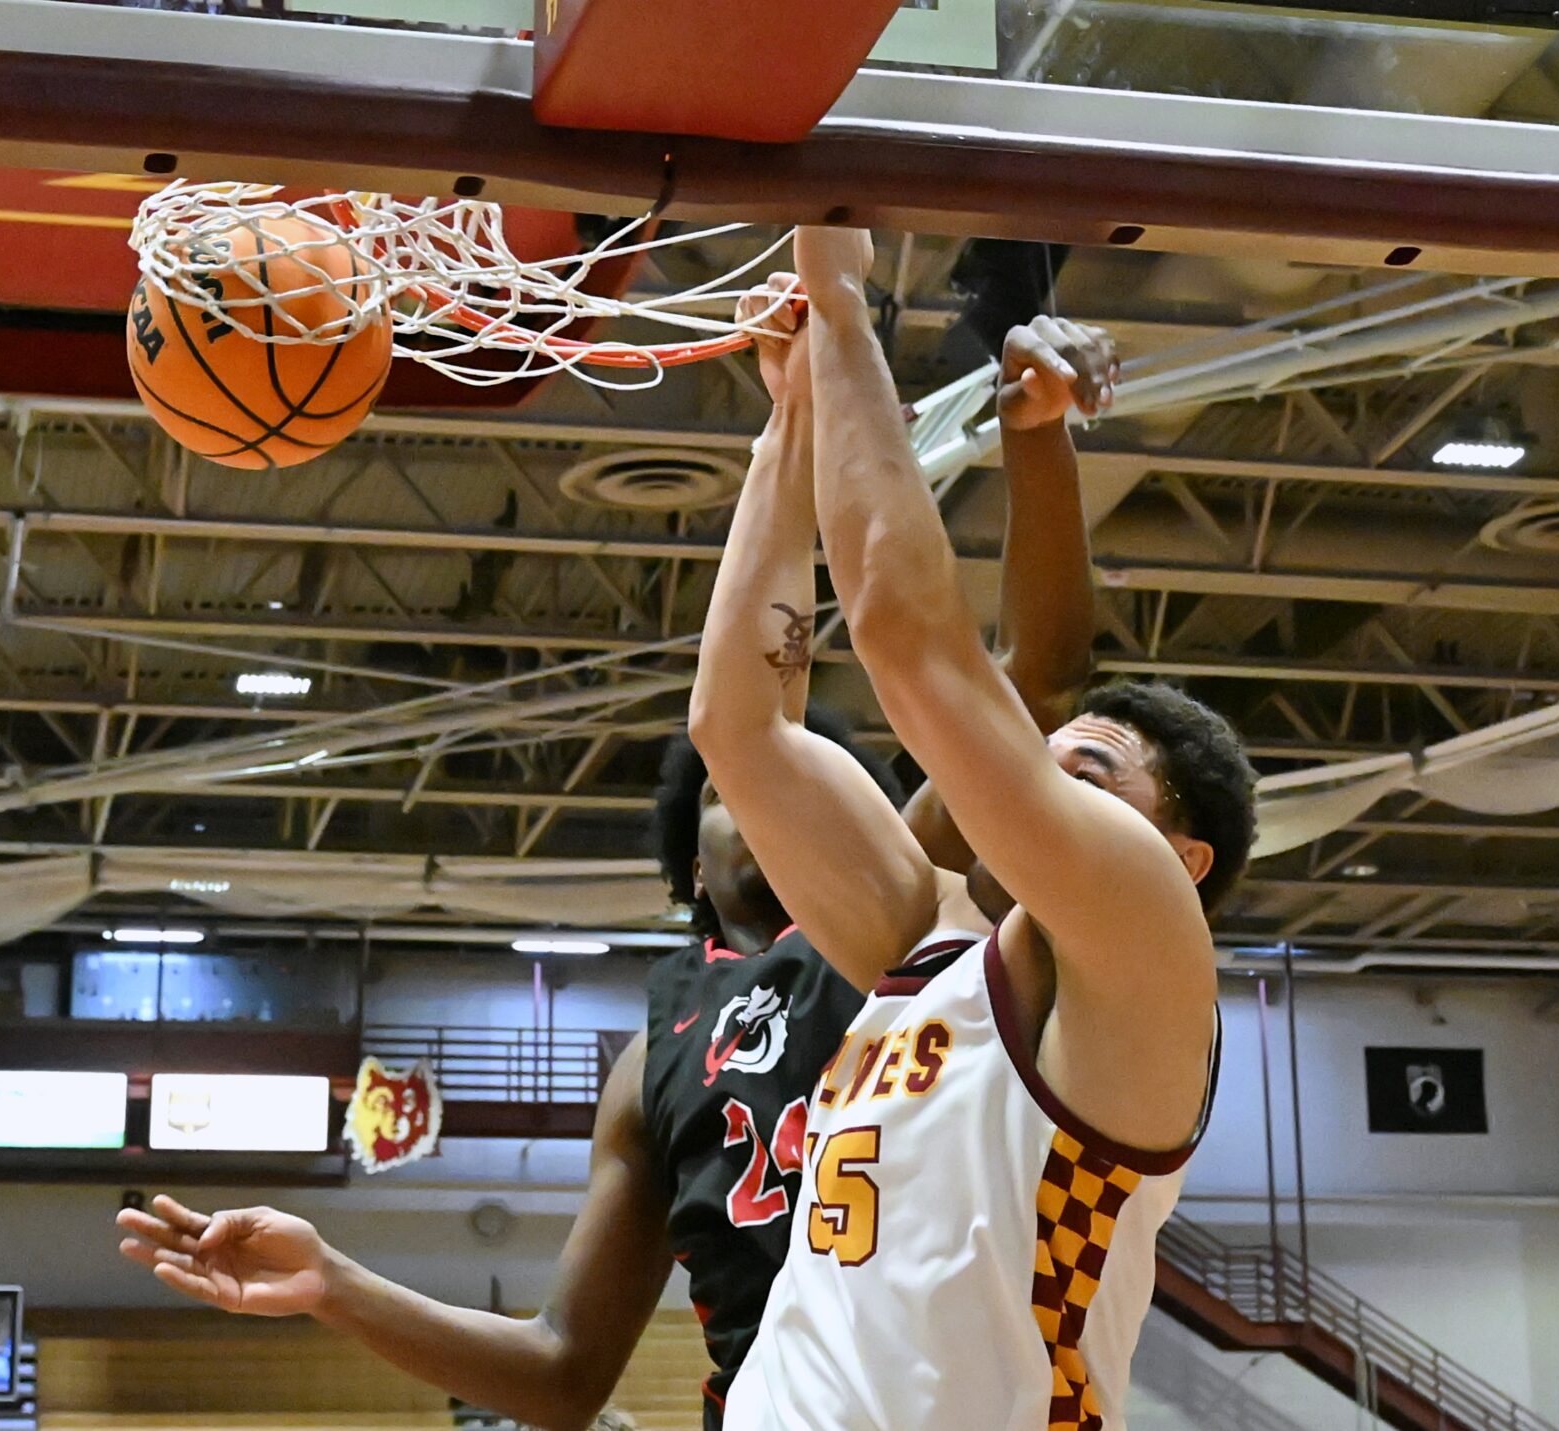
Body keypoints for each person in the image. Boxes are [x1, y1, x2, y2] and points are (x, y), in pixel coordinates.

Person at [114, 279, 1110, 1431]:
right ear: (691, 860)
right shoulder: (650, 1061)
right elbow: (563, 1370)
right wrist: (333, 1281)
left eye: (821, 781)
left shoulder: (906, 902)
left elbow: (1038, 686)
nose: (787, 796)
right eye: (744, 790)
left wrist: (1040, 449)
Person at [707, 230, 1257, 1431]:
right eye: (1045, 755)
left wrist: (842, 300)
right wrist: (789, 421)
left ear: (1181, 858)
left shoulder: (1148, 943)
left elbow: (907, 636)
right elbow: (741, 730)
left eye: (1091, 771)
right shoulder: (931, 943)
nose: (1043, 774)